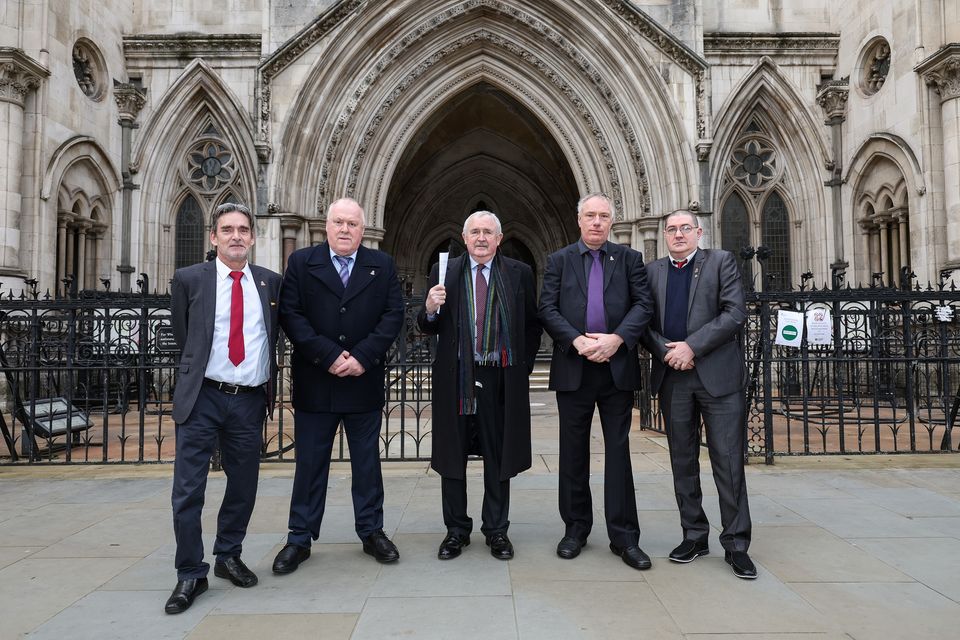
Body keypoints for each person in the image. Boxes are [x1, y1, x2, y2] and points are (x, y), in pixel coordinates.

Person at [273, 197, 404, 574]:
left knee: (367, 464)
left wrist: (362, 357)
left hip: (363, 381)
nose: (345, 229)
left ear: (364, 230)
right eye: (338, 222)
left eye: (352, 224)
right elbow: (291, 315)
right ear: (326, 227)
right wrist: (328, 355)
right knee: (310, 464)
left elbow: (393, 314)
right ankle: (299, 537)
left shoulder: (382, 264)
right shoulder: (301, 262)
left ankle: (371, 531)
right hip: (317, 380)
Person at [166, 203, 282, 614]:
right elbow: (186, 339)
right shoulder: (188, 279)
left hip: (248, 400)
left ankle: (228, 554)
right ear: (213, 237)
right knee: (188, 490)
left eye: (243, 230)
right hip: (202, 398)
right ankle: (190, 572)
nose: (236, 236)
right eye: (227, 229)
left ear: (252, 237)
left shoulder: (270, 283)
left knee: (244, 484)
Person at [538, 192, 654, 570]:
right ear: (579, 220)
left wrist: (616, 339)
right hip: (575, 367)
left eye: (604, 216)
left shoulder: (630, 259)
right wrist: (577, 340)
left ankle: (624, 537)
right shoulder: (559, 260)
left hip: (616, 367)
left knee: (618, 453)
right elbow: (547, 308)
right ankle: (575, 530)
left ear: (611, 221)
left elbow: (643, 305)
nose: (597, 222)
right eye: (591, 215)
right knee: (573, 454)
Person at [417, 211, 542, 561]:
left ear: (499, 238)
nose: (482, 238)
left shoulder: (519, 273)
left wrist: (521, 368)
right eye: (475, 232)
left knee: (498, 455)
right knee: (452, 454)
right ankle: (456, 530)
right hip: (456, 375)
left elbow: (532, 325)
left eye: (488, 232)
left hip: (500, 376)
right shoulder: (446, 272)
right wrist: (429, 308)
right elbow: (429, 326)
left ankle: (496, 530)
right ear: (464, 236)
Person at [640, 209, 756, 579]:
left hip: (717, 379)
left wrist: (691, 347)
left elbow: (735, 313)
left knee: (728, 463)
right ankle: (694, 535)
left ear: (698, 232)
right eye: (671, 229)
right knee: (682, 462)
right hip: (674, 377)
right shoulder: (652, 271)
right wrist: (666, 352)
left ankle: (736, 544)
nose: (677, 235)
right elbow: (642, 321)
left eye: (684, 228)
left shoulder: (721, 262)